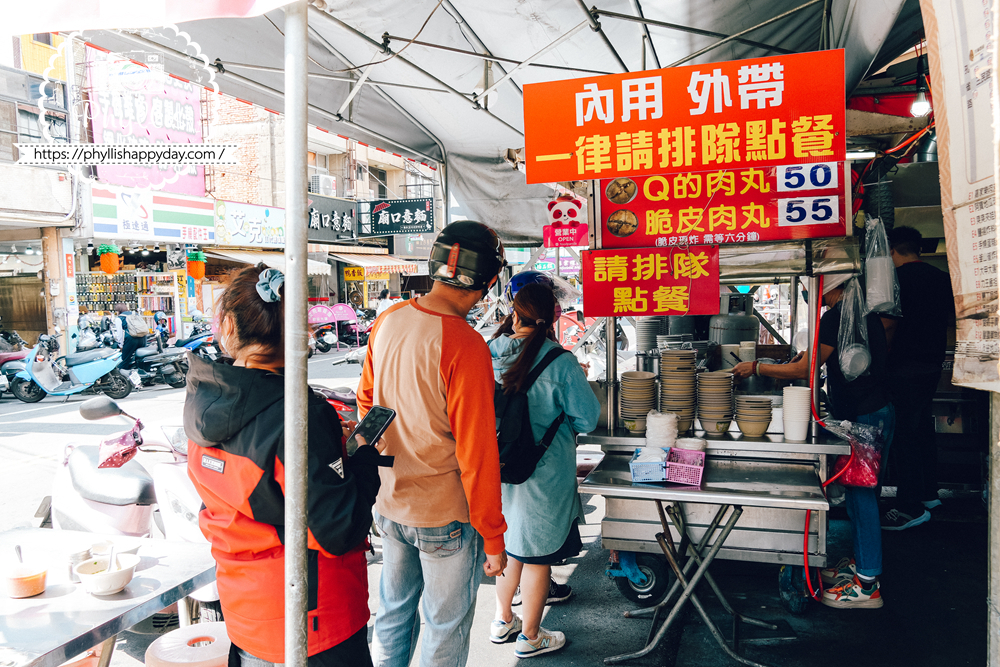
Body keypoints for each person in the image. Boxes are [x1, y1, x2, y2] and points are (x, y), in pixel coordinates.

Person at [185, 264, 386, 667]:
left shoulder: (203, 400)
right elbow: (339, 529)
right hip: (312, 620)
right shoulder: (299, 414)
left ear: (227, 324)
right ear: (302, 332)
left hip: (245, 614)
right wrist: (363, 456)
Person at [360, 221, 509, 667]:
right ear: (486, 284)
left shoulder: (388, 319)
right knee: (444, 626)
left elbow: (367, 405)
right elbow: (477, 452)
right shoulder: (465, 344)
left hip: (390, 503)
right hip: (444, 514)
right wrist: (495, 537)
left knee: (392, 615)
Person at [734, 274, 894, 608]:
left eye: (811, 288)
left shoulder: (838, 314)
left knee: (861, 497)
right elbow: (816, 353)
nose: (809, 294)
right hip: (874, 410)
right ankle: (862, 562)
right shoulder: (858, 310)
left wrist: (758, 367)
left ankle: (868, 585)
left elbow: (807, 368)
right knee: (859, 495)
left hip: (865, 416)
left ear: (830, 286)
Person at [488, 283, 599, 657]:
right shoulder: (559, 361)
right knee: (537, 557)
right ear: (552, 318)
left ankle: (504, 620)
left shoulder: (489, 353)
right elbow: (587, 417)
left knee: (512, 545)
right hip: (545, 474)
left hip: (499, 468)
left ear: (514, 315)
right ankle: (531, 637)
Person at [880, 226, 955, 530]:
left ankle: (910, 507)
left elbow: (888, 326)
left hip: (904, 366)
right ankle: (928, 493)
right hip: (932, 364)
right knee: (922, 427)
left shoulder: (896, 280)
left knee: (905, 436)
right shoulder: (941, 278)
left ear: (892, 250)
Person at [114, 303, 145, 369]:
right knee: (139, 359)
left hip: (131, 339)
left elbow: (120, 334)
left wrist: (121, 346)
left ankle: (124, 377)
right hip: (143, 338)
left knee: (124, 360)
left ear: (118, 311)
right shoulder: (135, 314)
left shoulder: (119, 318)